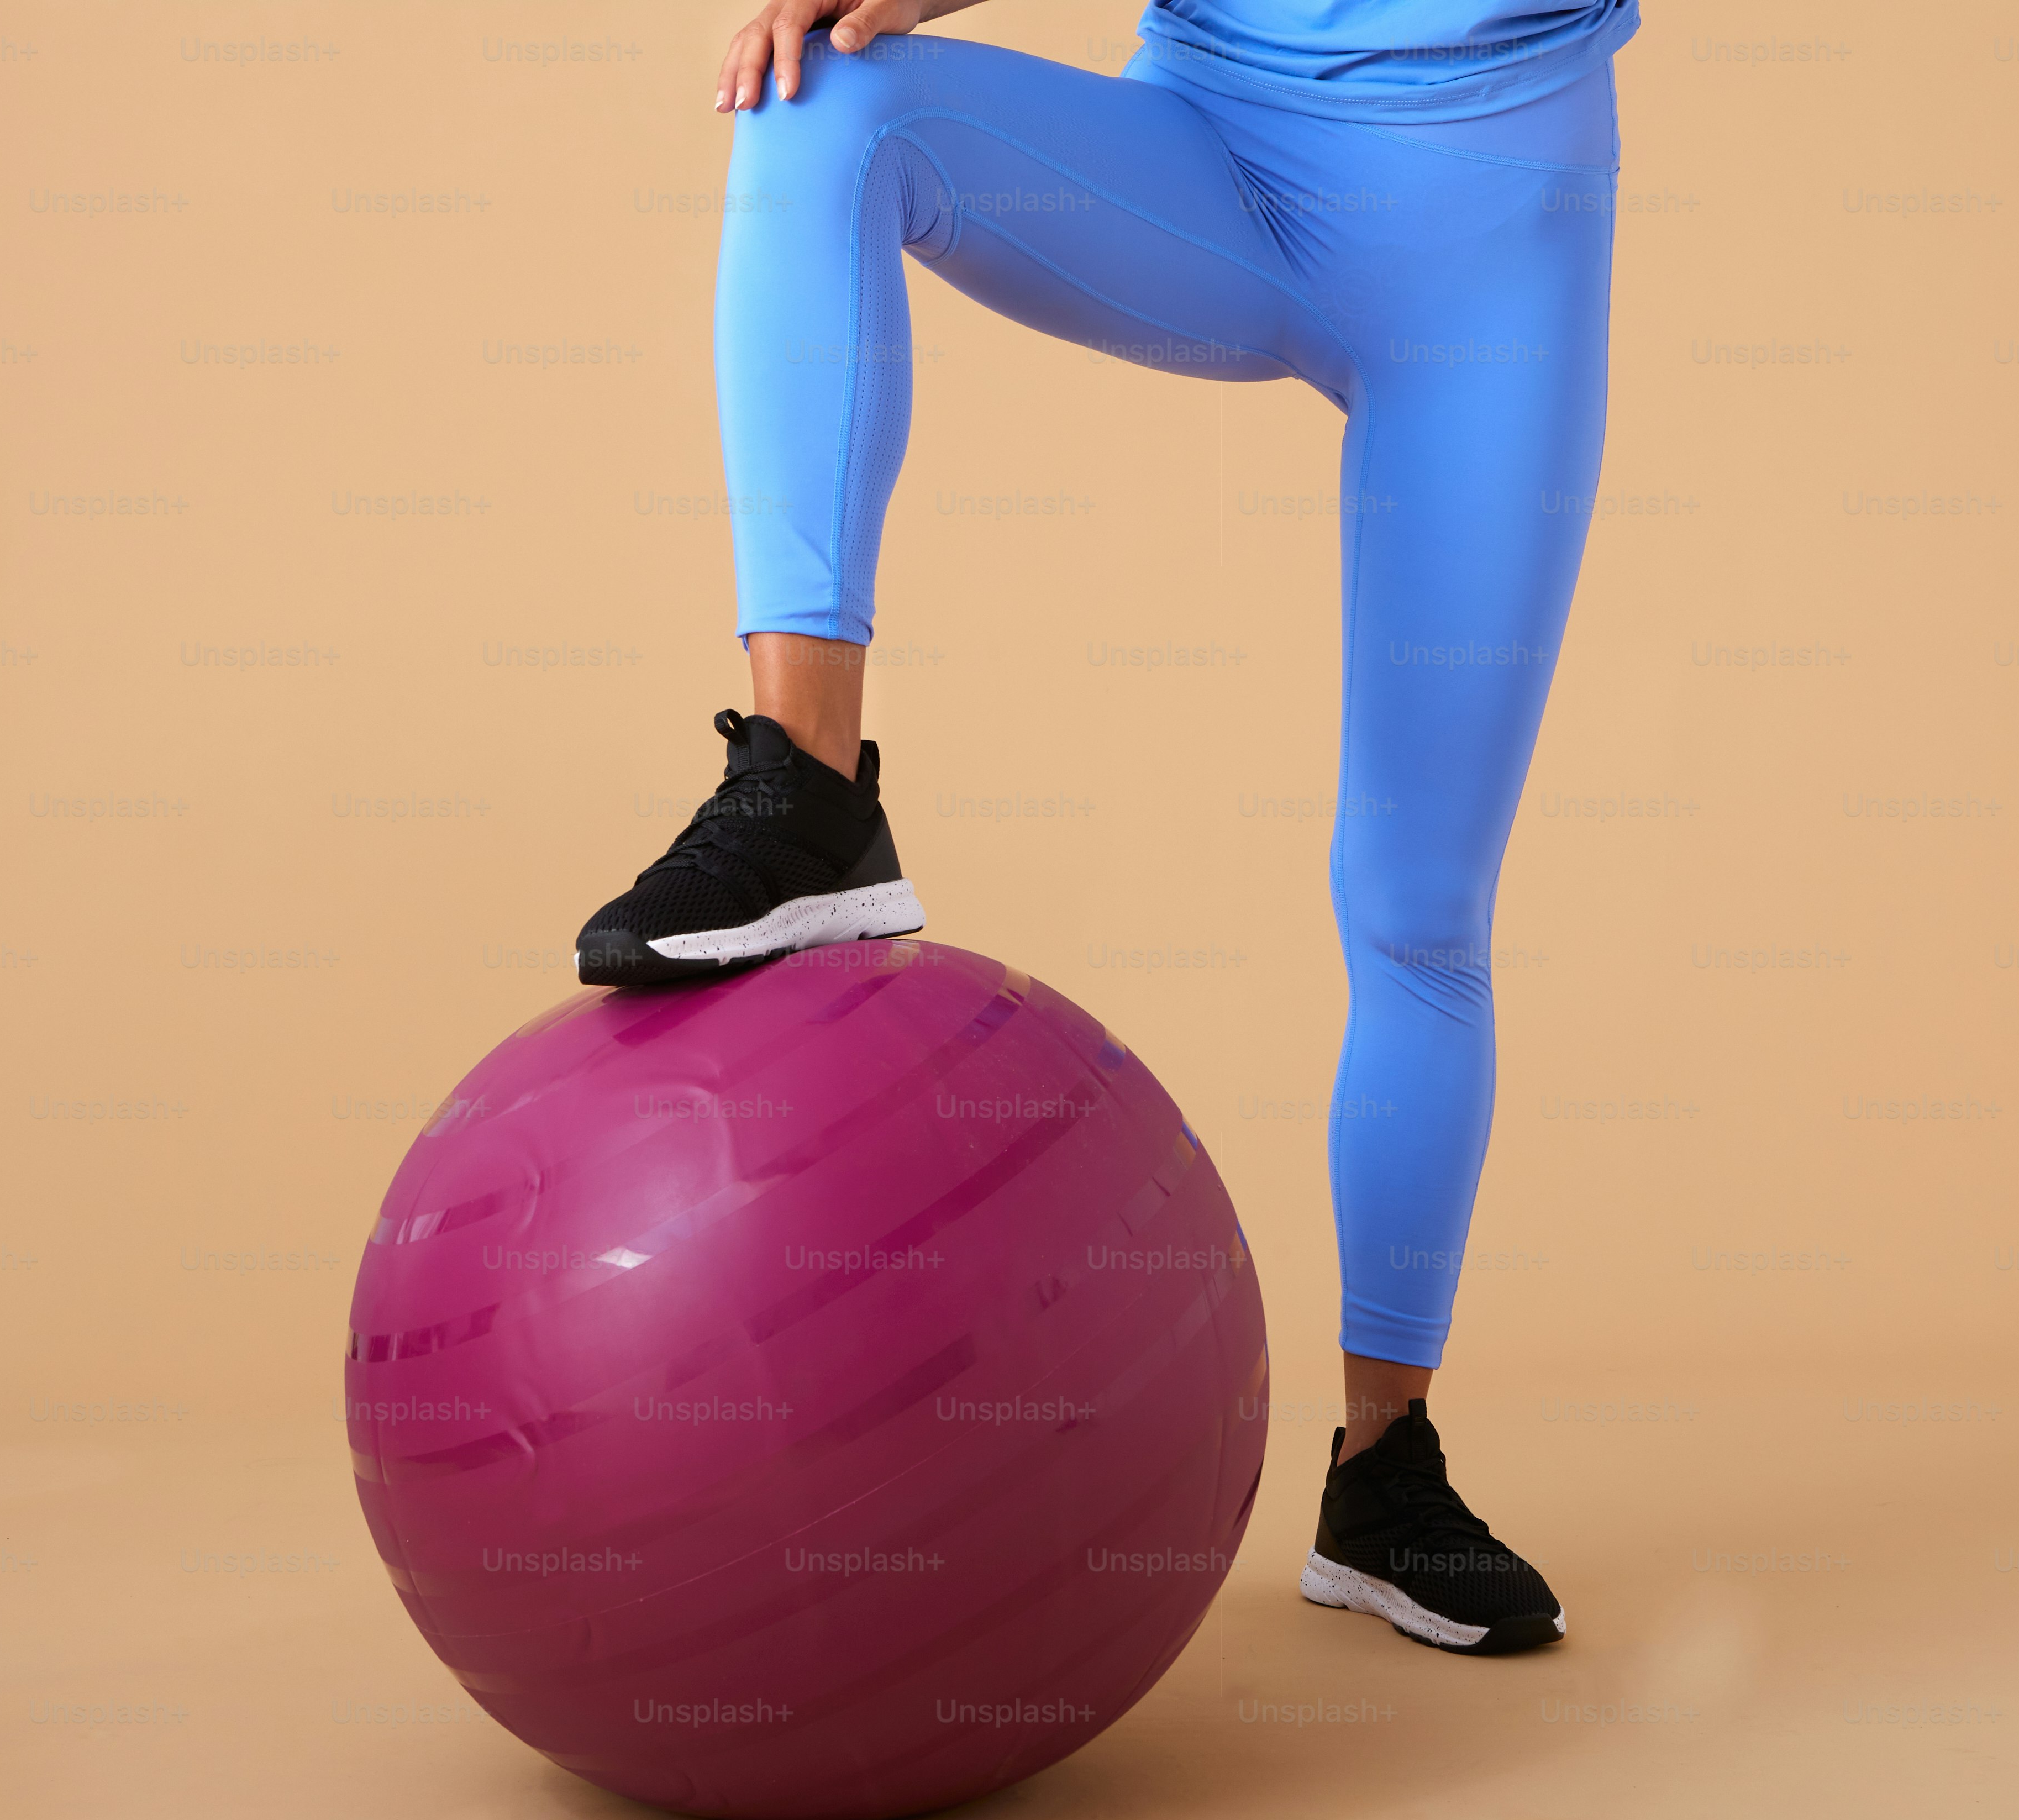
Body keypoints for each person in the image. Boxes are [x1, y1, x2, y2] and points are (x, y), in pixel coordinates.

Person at [573, 0, 1638, 1654]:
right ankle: (803, 792)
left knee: (1418, 910)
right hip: (1216, 157)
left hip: (1493, 243)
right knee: (827, 105)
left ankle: (1385, 1476)